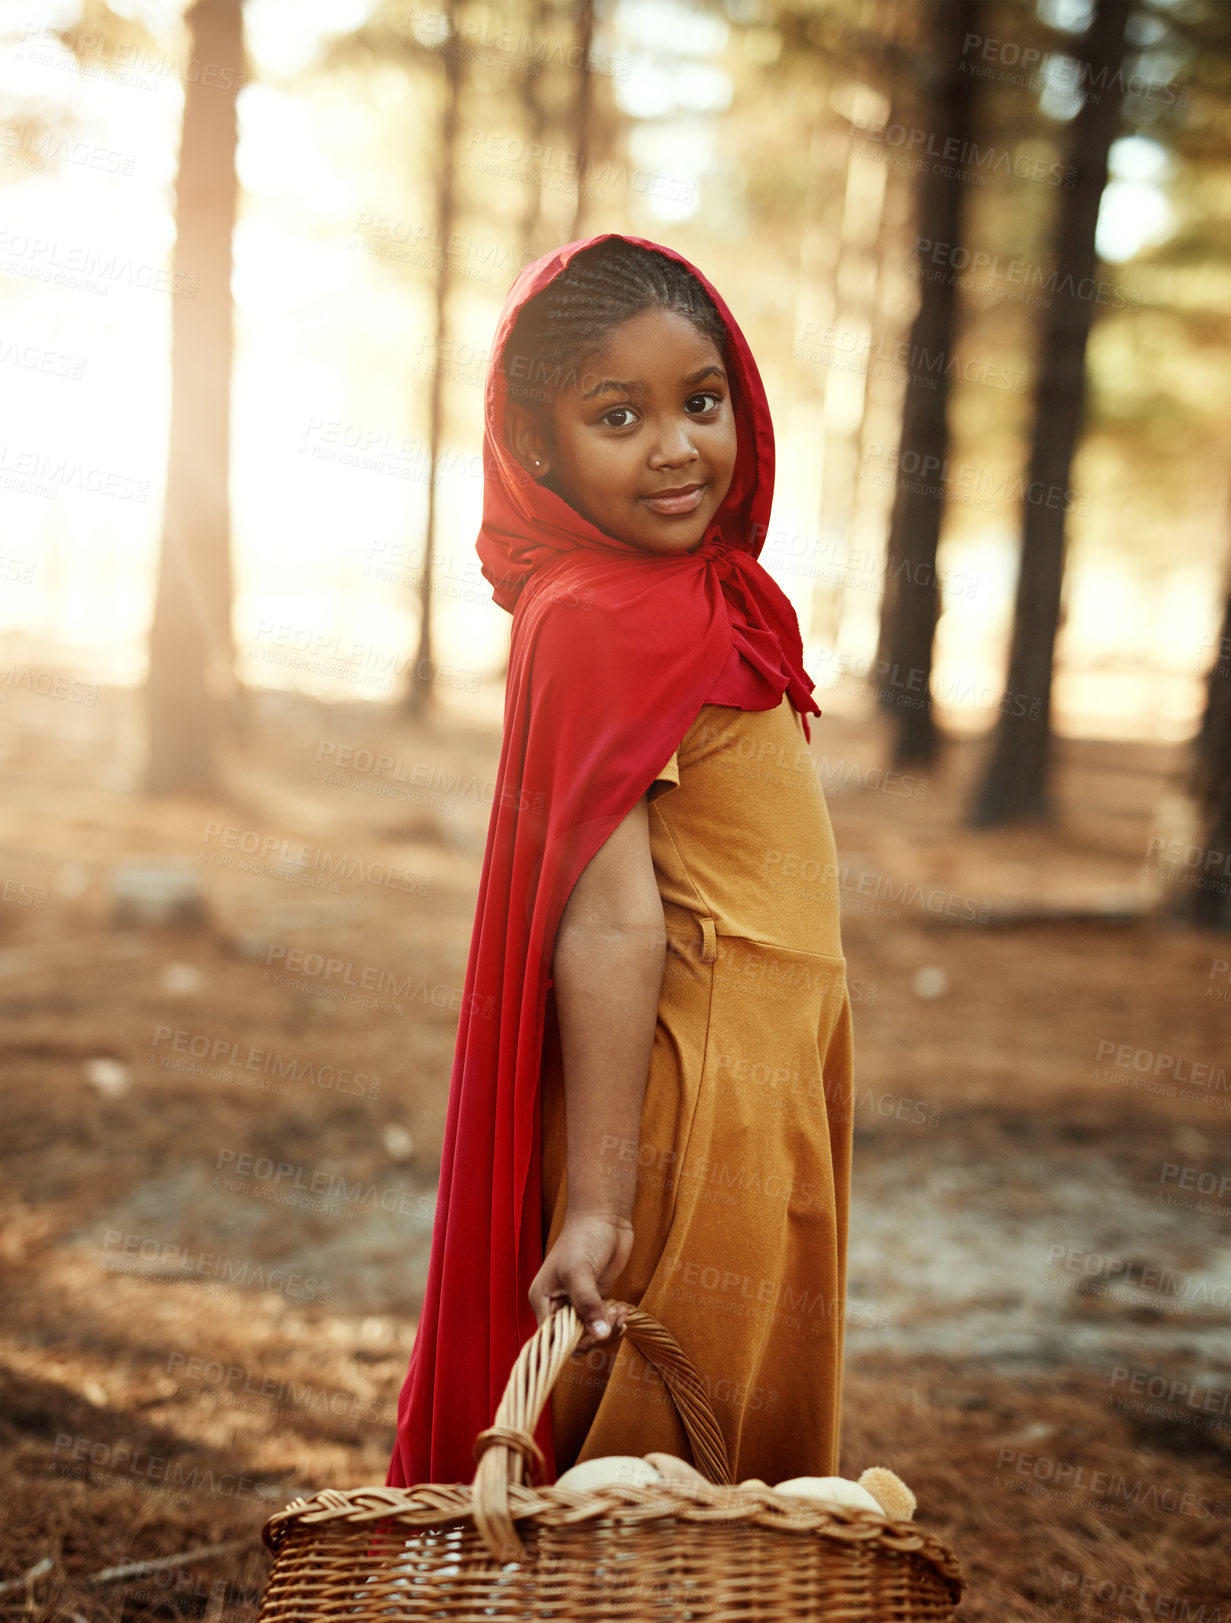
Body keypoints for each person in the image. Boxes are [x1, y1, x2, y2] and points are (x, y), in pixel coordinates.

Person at [383, 233, 854, 1493]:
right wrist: (597, 1203)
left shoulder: (709, 595)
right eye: (617, 413)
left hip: (772, 1083)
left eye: (700, 401)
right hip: (687, 1094)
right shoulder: (592, 614)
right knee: (652, 1474)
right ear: (536, 445)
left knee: (744, 1455)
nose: (675, 446)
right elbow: (602, 923)